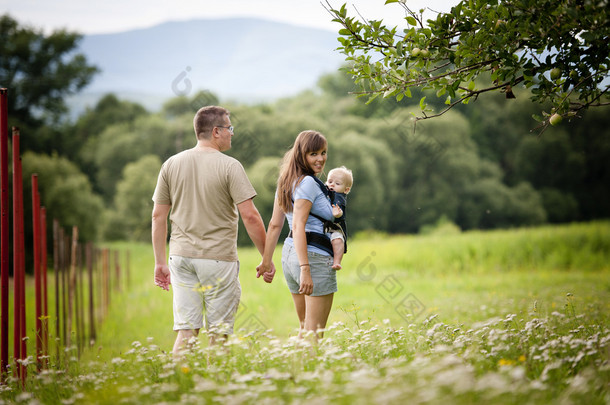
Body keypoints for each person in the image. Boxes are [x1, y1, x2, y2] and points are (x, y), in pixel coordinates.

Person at [152, 105, 275, 356]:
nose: (232, 133)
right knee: (219, 335)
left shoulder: (170, 164)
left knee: (186, 333)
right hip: (218, 260)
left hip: (181, 258)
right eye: (230, 128)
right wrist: (266, 258)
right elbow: (250, 216)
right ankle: (216, 390)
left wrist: (159, 262)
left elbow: (158, 216)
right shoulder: (230, 166)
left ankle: (177, 388)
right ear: (216, 131)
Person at [256, 130, 339, 339]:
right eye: (313, 154)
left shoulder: (285, 181)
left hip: (290, 254)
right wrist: (305, 269)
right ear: (301, 154)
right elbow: (299, 224)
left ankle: (297, 370)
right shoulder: (309, 183)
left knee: (305, 329)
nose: (320, 159)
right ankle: (309, 370)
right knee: (314, 333)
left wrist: (266, 261)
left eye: (323, 152)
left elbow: (275, 224)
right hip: (311, 258)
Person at [325, 166, 353, 270]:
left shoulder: (339, 196)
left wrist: (338, 214)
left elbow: (339, 209)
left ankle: (337, 261)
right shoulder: (327, 189)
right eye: (330, 181)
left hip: (336, 226)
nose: (332, 184)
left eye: (337, 183)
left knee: (337, 239)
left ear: (346, 189)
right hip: (325, 225)